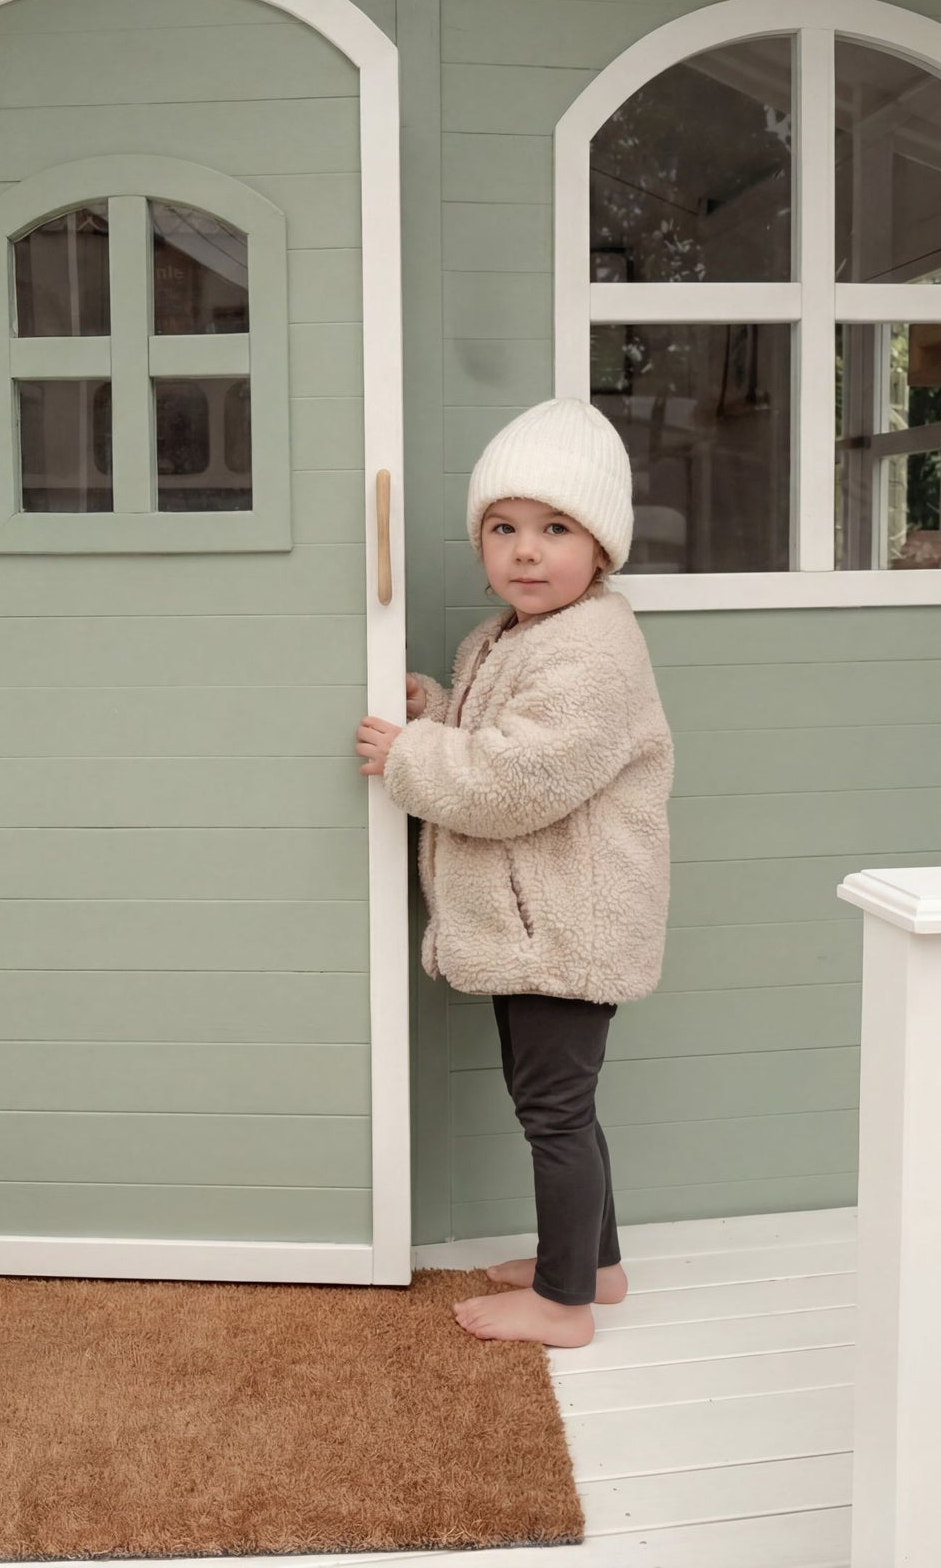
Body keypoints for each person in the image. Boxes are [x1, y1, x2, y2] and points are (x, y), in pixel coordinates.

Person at [354, 397, 674, 1348]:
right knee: (561, 1105)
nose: (525, 552)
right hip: (539, 922)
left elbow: (520, 779)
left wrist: (408, 754)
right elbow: (501, 735)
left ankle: (562, 1304)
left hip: (568, 923)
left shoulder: (595, 650)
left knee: (554, 1116)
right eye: (504, 528)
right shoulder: (511, 637)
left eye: (554, 529)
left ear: (602, 549)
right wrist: (437, 708)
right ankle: (595, 1264)